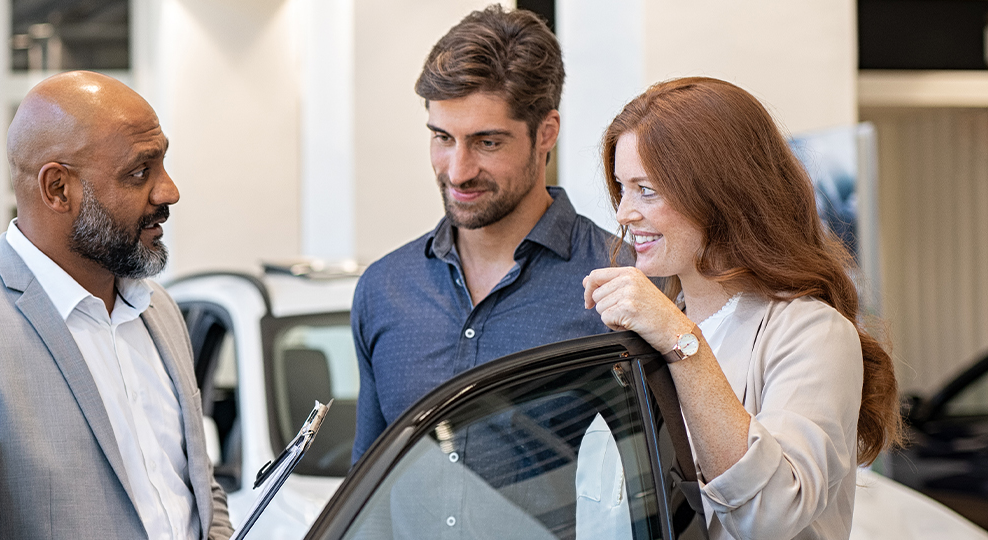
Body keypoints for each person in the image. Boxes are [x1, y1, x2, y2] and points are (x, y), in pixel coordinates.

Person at [0, 70, 233, 540]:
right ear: (57, 189)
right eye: (138, 172)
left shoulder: (159, 310)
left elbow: (195, 489)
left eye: (163, 164)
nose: (168, 191)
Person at [584, 76, 902, 539]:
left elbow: (769, 512)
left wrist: (679, 339)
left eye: (647, 190)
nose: (623, 213)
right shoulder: (647, 331)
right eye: (621, 187)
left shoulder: (813, 333)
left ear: (719, 194)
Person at [351, 5, 628, 462]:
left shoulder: (624, 284)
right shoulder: (384, 290)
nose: (457, 172)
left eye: (487, 142)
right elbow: (367, 479)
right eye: (442, 138)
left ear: (546, 133)